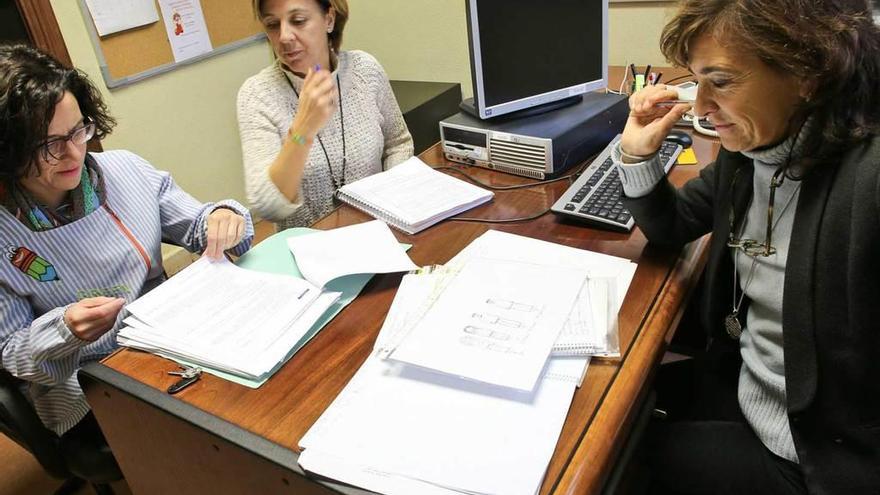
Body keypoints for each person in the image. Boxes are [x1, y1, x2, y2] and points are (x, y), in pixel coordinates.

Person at [613, 1, 880, 493]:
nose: (700, 109)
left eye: (722, 81)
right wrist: (636, 153)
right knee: (613, 408)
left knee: (615, 463)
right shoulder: (756, 149)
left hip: (814, 453)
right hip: (747, 381)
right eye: (697, 80)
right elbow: (672, 226)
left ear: (809, 75)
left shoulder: (867, 178)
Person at [0, 43, 254, 440]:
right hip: (90, 375)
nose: (73, 154)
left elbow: (199, 222)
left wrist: (224, 217)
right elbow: (14, 355)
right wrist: (65, 329)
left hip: (171, 336)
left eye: (78, 130)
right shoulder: (5, 236)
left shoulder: (124, 171)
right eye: (49, 144)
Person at [237, 0, 414, 230]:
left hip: (382, 234)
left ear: (328, 19)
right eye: (272, 25)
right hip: (308, 252)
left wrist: (391, 202)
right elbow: (269, 206)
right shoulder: (257, 95)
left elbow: (398, 143)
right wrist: (302, 131)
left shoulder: (365, 70)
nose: (284, 37)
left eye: (298, 21)